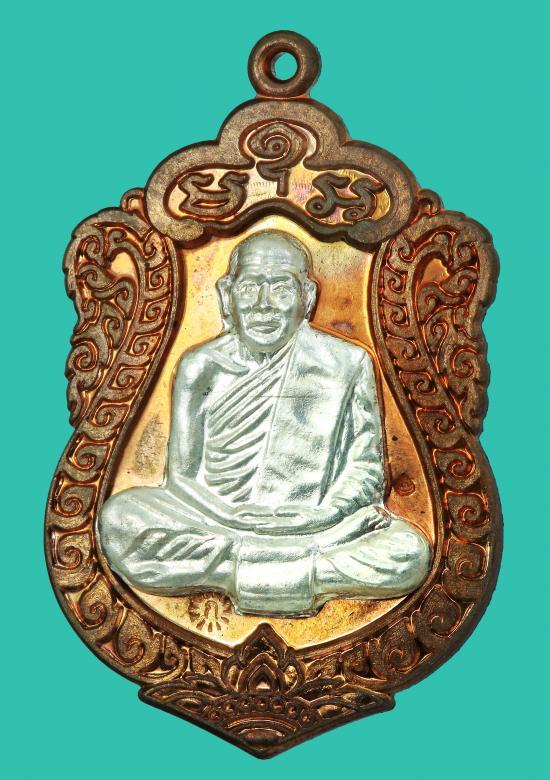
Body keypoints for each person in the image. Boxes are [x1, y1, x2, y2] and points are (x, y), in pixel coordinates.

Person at [98, 230, 431, 616]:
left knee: (409, 552)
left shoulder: (346, 363)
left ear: (307, 297)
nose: (263, 305)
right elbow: (181, 478)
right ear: (227, 294)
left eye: (281, 289)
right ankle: (300, 570)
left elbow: (366, 470)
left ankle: (237, 571)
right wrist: (229, 516)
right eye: (250, 287)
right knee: (120, 520)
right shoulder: (200, 366)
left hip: (317, 529)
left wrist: (321, 516)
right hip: (219, 525)